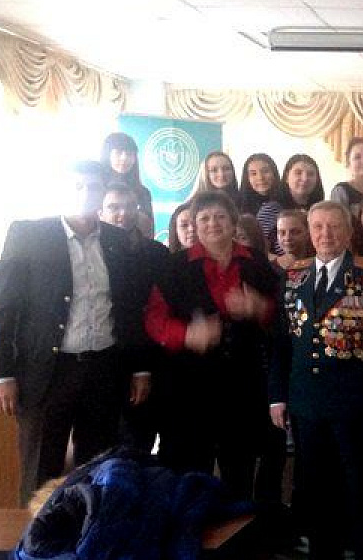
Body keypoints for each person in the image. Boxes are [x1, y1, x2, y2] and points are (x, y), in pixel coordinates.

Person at [0, 161, 152, 505]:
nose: (84, 194)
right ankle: (36, 537)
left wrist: (139, 368)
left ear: (102, 192)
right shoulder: (29, 235)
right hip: (48, 373)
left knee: (98, 472)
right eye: (76, 187)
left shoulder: (118, 240)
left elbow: (129, 308)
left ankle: (88, 533)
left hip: (104, 370)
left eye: (93, 187)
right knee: (40, 472)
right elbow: (2, 309)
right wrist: (0, 374)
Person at [144, 191, 276, 500]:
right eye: (204, 218)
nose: (212, 224)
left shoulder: (256, 262)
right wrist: (188, 334)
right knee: (189, 473)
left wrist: (260, 308)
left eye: (220, 217)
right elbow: (154, 319)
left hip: (243, 387)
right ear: (194, 224)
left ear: (233, 222)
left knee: (240, 470)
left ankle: (238, 529)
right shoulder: (174, 266)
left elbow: (281, 315)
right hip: (189, 390)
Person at [270, 201, 363, 560]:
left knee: (359, 485)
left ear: (349, 232)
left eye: (334, 226)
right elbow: (281, 342)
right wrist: (277, 396)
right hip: (307, 401)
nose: (325, 234)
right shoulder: (294, 275)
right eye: (318, 227)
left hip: (354, 401)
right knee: (316, 486)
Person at [98, 183, 169, 452]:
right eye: (114, 207)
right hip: (99, 365)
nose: (123, 214)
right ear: (100, 212)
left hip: (145, 361)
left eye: (130, 207)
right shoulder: (90, 253)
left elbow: (155, 312)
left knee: (138, 444)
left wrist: (142, 368)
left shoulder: (156, 253)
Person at [260, 154, 325, 255]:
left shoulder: (321, 211)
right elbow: (257, 248)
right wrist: (276, 259)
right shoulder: (271, 210)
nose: (305, 178)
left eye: (310, 174)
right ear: (287, 177)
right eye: (298, 173)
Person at [100, 132, 154, 234]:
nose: (124, 158)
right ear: (107, 155)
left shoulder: (143, 193)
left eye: (129, 154)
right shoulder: (96, 189)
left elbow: (148, 231)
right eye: (118, 152)